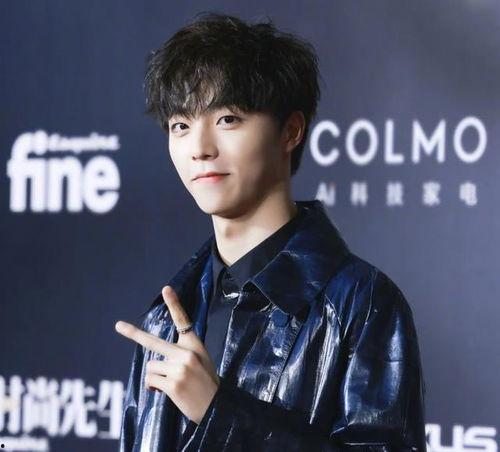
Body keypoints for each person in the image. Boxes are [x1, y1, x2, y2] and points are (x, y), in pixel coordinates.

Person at [115, 11, 427, 452]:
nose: (199, 149)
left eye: (227, 119)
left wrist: (221, 414)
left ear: (291, 131)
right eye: (181, 126)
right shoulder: (166, 316)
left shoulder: (361, 303)